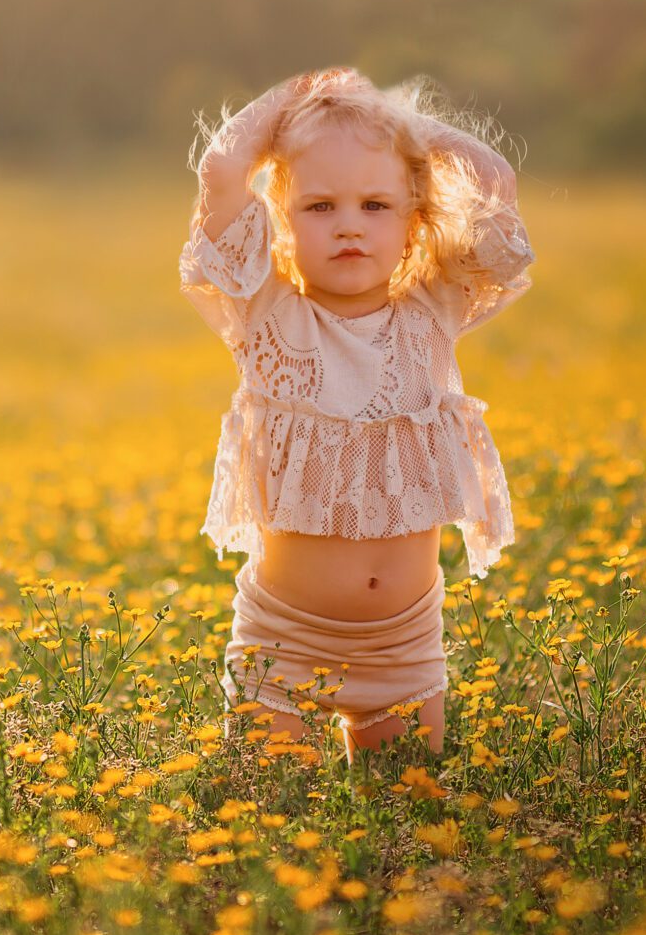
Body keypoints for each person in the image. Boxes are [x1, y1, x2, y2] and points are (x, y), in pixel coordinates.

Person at [179, 67, 534, 762]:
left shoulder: (434, 307)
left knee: (403, 830)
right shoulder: (266, 311)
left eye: (376, 205)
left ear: (414, 221)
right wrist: (297, 99)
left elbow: (494, 183)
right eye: (319, 207)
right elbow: (223, 168)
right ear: (281, 221)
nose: (349, 226)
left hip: (403, 646)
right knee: (260, 829)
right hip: (282, 640)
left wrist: (401, 125)